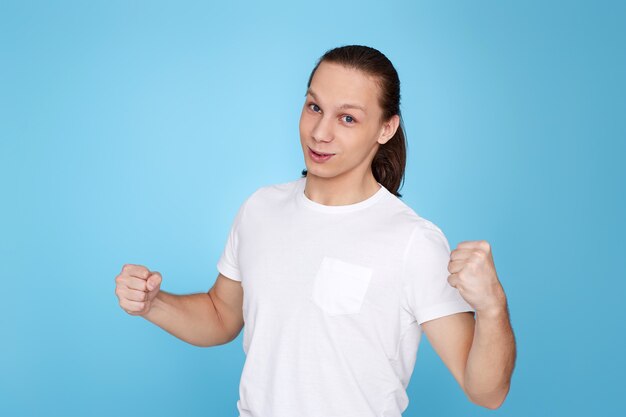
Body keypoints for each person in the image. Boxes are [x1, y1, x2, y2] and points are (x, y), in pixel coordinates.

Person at [114, 45, 516, 416]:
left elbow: (486, 391)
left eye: (347, 118)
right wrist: (154, 303)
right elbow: (222, 315)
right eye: (313, 107)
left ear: (386, 129)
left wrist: (493, 306)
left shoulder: (413, 241)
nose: (320, 132)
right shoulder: (260, 209)